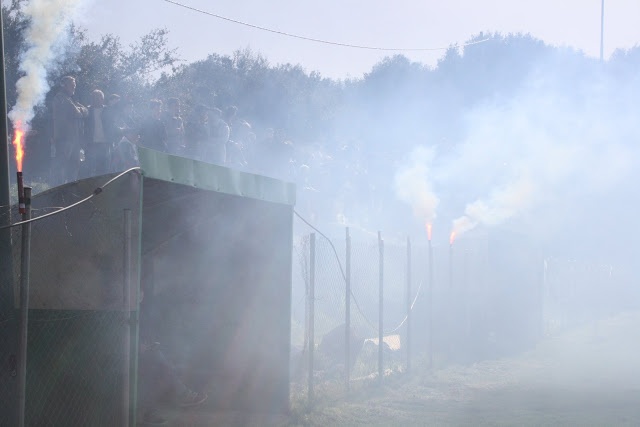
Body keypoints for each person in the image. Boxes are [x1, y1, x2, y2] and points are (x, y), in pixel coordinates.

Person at [51, 76, 88, 184]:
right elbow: (76, 113)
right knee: (63, 165)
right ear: (64, 86)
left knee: (75, 164)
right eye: (72, 85)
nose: (74, 88)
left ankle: (71, 188)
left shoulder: (71, 99)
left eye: (74, 85)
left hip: (74, 139)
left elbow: (86, 111)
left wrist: (80, 110)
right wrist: (80, 110)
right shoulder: (60, 98)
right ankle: (60, 189)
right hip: (64, 138)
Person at [83, 89, 111, 176]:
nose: (97, 100)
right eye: (94, 98)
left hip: (105, 144)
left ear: (102, 99)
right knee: (90, 169)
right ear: (91, 99)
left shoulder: (108, 110)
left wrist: (113, 140)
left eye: (99, 98)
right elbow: (82, 127)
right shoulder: (87, 111)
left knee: (104, 169)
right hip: (91, 144)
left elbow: (113, 126)